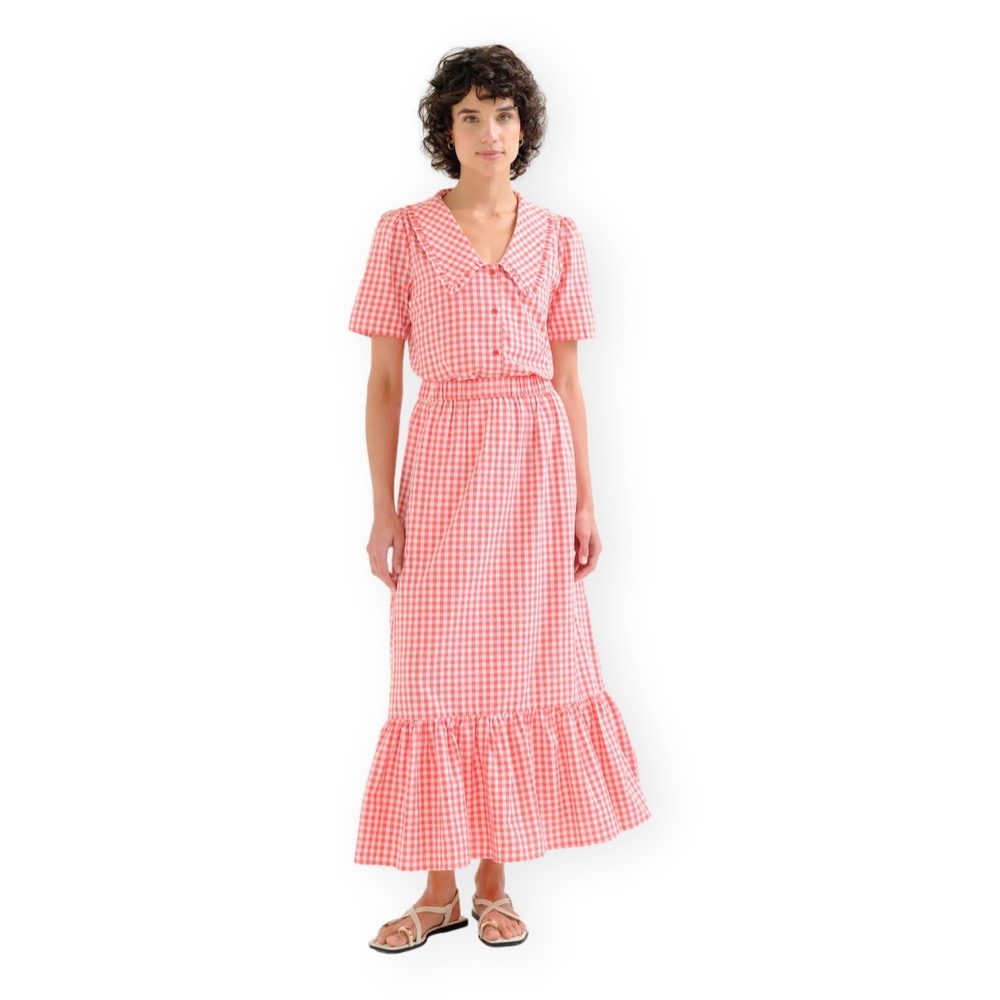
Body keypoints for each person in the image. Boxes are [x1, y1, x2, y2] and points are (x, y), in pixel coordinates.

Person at [348, 43, 651, 953]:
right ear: (446, 130)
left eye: (505, 114)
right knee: (433, 669)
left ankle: (492, 885)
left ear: (526, 126)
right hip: (445, 458)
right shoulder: (403, 231)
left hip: (534, 468)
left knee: (517, 666)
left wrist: (586, 502)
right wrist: (382, 509)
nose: (490, 132)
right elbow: (384, 384)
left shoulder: (558, 236)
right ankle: (435, 889)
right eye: (471, 116)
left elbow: (569, 378)